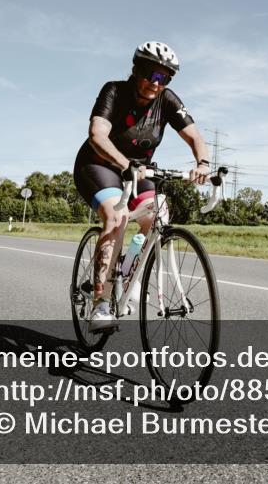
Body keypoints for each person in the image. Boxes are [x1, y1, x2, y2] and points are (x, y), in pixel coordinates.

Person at [73, 41, 209, 331]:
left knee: (159, 214)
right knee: (117, 216)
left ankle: (126, 273)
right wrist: (124, 165)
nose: (155, 82)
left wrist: (203, 164)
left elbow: (195, 137)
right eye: (149, 73)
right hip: (99, 165)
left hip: (137, 171)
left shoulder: (167, 100)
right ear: (135, 69)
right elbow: (97, 134)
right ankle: (101, 302)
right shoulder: (114, 91)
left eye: (164, 77)